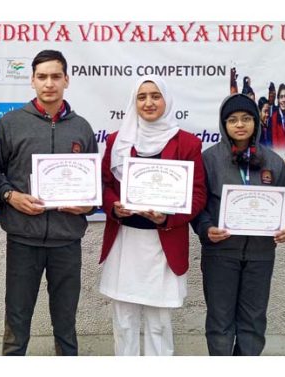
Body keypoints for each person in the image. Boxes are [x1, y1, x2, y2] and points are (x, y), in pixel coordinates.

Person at [0, 49, 97, 356]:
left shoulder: (82, 128)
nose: (49, 83)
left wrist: (88, 205)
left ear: (67, 80)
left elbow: (94, 183)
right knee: (17, 321)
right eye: (42, 77)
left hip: (67, 240)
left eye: (55, 76)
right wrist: (11, 196)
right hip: (23, 239)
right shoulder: (11, 124)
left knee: (65, 323)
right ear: (32, 81)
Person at [99, 75, 206, 356]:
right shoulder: (117, 141)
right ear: (133, 102)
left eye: (155, 96)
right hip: (126, 242)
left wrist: (167, 218)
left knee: (159, 323)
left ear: (166, 100)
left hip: (163, 243)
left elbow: (197, 195)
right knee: (124, 320)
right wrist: (113, 206)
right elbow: (104, 184)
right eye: (142, 96)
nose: (148, 102)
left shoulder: (188, 144)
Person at [192, 93, 285, 356]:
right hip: (220, 253)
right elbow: (198, 206)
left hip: (260, 255)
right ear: (223, 124)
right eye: (233, 120)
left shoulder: (273, 162)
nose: (240, 125)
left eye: (247, 118)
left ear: (256, 122)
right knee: (220, 322)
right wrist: (206, 230)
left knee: (253, 322)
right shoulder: (209, 160)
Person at [269, 83, 285, 154]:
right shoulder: (273, 118)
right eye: (281, 97)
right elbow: (274, 143)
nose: (284, 100)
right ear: (278, 99)